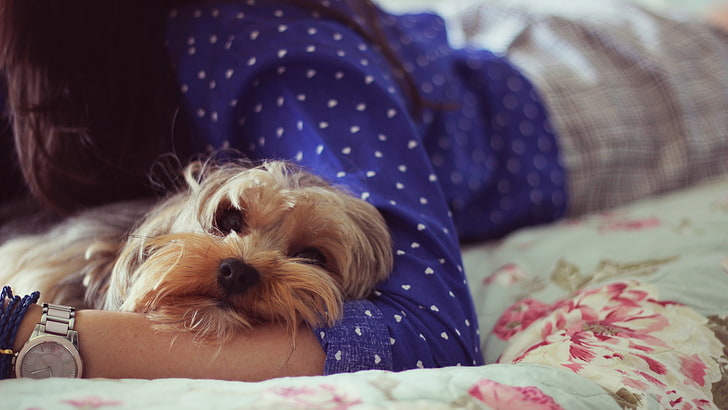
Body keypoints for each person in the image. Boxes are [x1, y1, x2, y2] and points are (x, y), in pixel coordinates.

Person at [2, 0, 728, 380]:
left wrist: (29, 336)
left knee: (707, 43)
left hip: (549, 101)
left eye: (310, 256)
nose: (238, 260)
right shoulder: (50, 65)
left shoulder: (270, 50)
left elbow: (430, 335)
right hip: (428, 42)